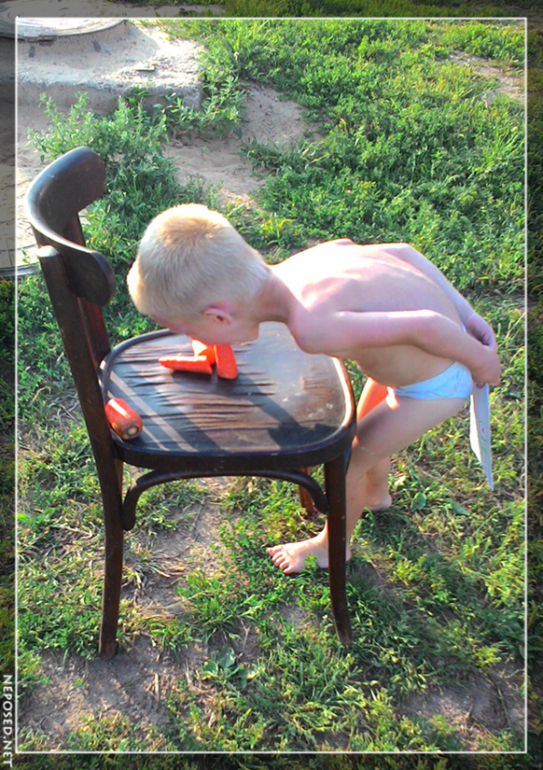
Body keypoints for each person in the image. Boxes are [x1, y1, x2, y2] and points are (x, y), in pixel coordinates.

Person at [127, 203, 501, 574]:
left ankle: (331, 548)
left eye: (190, 332)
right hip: (412, 361)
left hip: (436, 383)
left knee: (348, 462)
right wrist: (467, 315)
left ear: (219, 317)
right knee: (366, 433)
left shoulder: (312, 327)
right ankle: (377, 496)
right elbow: (404, 253)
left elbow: (426, 327)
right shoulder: (301, 266)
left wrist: (482, 362)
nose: (193, 340)